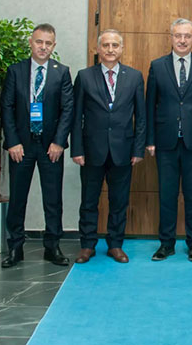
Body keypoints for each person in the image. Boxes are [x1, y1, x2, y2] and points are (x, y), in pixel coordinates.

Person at [1, 23, 74, 268]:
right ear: (31, 43)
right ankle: (15, 248)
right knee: (18, 198)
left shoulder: (62, 72)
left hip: (50, 147)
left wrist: (59, 142)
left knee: (53, 199)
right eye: (39, 42)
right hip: (21, 146)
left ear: (54, 45)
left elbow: (67, 110)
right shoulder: (15, 71)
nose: (43, 47)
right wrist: (12, 142)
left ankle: (52, 247)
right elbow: (7, 108)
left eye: (48, 43)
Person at [72, 29, 146, 264]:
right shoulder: (84, 76)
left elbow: (141, 117)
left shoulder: (134, 77)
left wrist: (138, 149)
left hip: (123, 150)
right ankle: (87, 245)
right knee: (89, 200)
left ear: (122, 49)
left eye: (115, 45)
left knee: (119, 200)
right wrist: (76, 149)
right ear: (98, 49)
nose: (110, 50)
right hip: (92, 149)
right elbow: (76, 116)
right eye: (106, 45)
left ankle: (115, 244)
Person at [146, 18, 192, 262]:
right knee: (167, 195)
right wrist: (150, 140)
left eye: (187, 36)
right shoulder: (157, 66)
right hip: (165, 142)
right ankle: (166, 244)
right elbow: (150, 105)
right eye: (178, 36)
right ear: (171, 37)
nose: (183, 40)